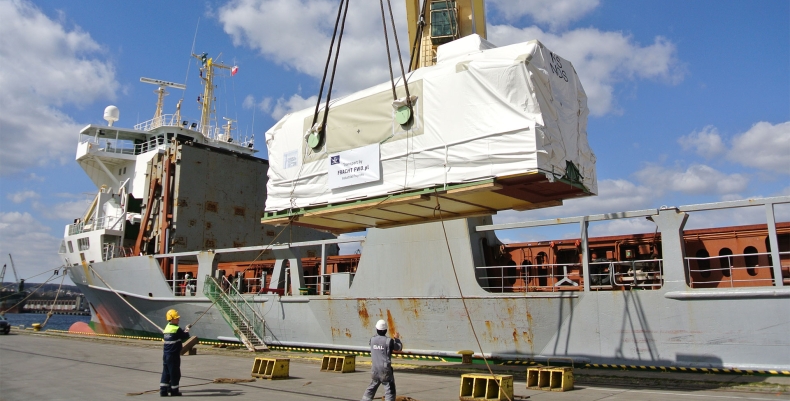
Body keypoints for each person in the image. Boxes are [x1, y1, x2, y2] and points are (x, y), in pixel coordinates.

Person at [360, 319, 402, 401]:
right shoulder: (388, 341)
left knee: (372, 387)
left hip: (374, 369)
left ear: (376, 329)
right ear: (386, 330)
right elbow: (399, 348)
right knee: (389, 389)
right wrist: (397, 339)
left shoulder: (372, 340)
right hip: (385, 370)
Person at [160, 309, 191, 397]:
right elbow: (184, 337)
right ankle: (174, 391)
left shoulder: (167, 328)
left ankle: (163, 391)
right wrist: (187, 329)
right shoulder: (176, 329)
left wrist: (184, 330)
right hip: (173, 355)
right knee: (175, 373)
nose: (178, 319)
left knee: (166, 372)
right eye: (176, 318)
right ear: (172, 319)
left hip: (166, 354)